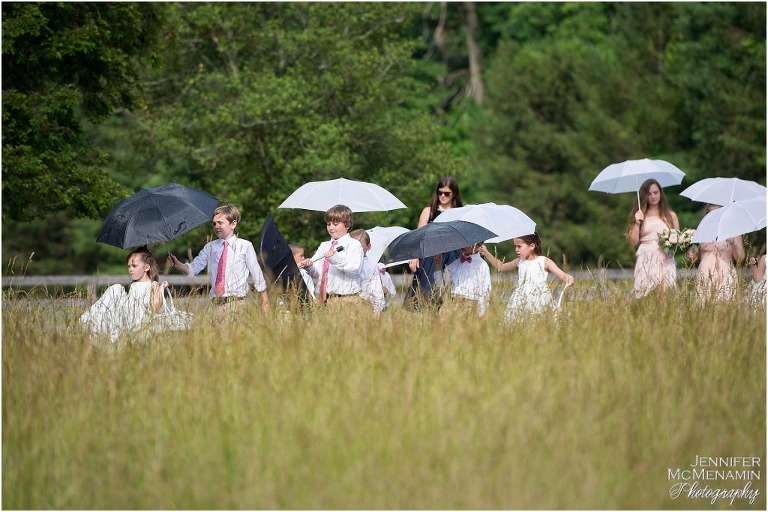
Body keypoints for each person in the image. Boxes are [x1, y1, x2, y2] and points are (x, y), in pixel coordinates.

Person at [167, 203, 269, 315]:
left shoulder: (245, 246)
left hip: (238, 303)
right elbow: (193, 269)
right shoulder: (210, 247)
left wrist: (265, 301)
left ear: (233, 224)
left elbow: (256, 273)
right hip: (215, 304)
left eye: (220, 223)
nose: (216, 226)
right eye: (214, 223)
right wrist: (178, 264)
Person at [480, 233, 574, 323]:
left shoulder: (544, 261)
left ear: (532, 246)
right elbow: (501, 267)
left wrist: (568, 278)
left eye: (519, 246)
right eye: (515, 246)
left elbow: (562, 275)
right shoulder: (519, 261)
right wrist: (486, 252)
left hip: (539, 298)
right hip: (521, 298)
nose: (516, 249)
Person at [80, 247, 169, 342]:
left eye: (134, 266)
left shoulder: (152, 284)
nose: (130, 269)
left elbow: (156, 307)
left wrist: (161, 289)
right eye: (129, 266)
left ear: (146, 267)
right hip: (128, 314)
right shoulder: (134, 285)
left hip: (140, 319)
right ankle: (93, 322)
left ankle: (95, 324)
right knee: (116, 288)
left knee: (116, 289)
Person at [404, 176, 464, 310]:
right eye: (440, 192)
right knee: (424, 292)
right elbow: (418, 237)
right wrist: (414, 257)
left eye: (447, 193)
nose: (442, 196)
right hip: (429, 256)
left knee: (448, 294)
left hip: (452, 257)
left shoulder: (459, 213)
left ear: (454, 194)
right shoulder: (429, 211)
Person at [297, 204, 365, 312]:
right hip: (322, 299)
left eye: (335, 224)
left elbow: (354, 269)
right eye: (328, 224)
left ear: (347, 225)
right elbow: (317, 273)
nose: (331, 227)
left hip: (345, 299)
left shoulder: (354, 245)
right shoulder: (324, 245)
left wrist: (335, 259)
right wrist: (309, 266)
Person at [626, 178, 680, 298]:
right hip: (646, 257)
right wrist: (637, 223)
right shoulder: (639, 216)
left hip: (665, 257)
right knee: (646, 294)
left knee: (665, 295)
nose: (653, 196)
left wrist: (669, 246)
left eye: (656, 192)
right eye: (649, 193)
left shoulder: (670, 216)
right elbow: (633, 242)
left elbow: (677, 241)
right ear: (644, 195)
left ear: (661, 193)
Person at [687, 203, 744, 303]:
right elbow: (695, 256)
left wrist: (734, 243)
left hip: (725, 272)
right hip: (704, 272)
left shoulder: (732, 230)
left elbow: (740, 258)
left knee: (726, 304)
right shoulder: (702, 230)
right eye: (710, 213)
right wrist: (692, 254)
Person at [442, 243, 491, 317]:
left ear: (477, 245)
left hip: (470, 307)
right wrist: (438, 265)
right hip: (452, 306)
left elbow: (485, 292)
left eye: (467, 244)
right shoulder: (455, 264)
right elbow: (442, 284)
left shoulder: (482, 265)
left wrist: (481, 315)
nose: (462, 245)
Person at [350, 229, 387, 316]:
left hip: (364, 307)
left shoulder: (371, 267)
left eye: (360, 246)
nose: (356, 249)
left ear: (368, 247)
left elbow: (377, 292)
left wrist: (376, 313)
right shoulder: (343, 263)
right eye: (352, 246)